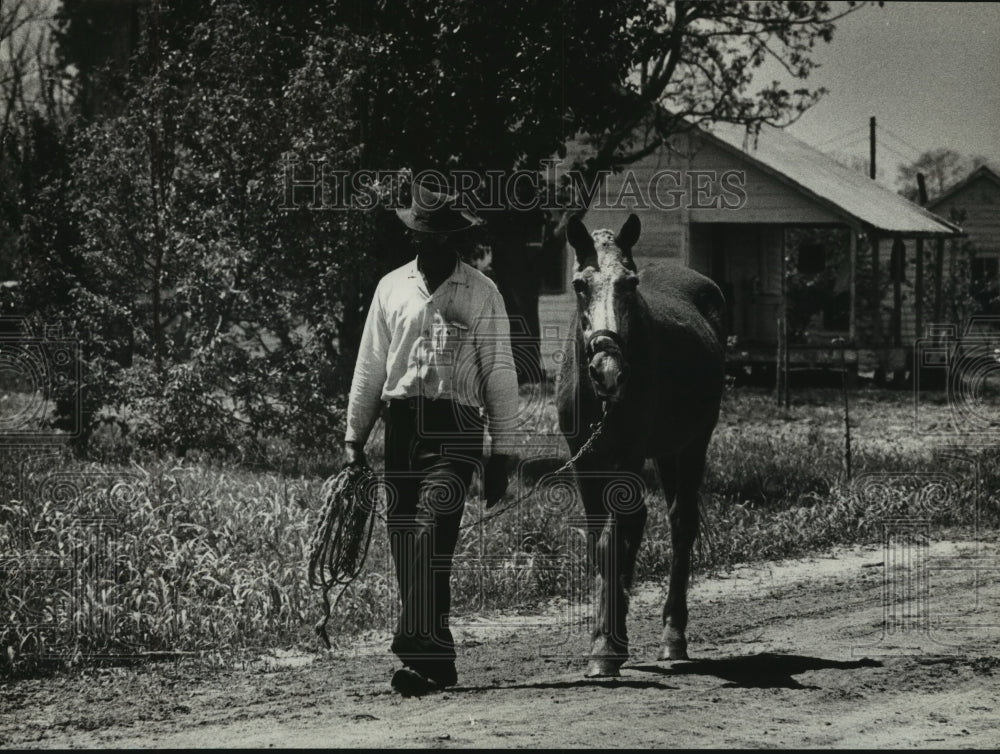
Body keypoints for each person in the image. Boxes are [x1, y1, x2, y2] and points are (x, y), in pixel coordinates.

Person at [343, 180, 520, 696]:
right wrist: (355, 438)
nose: (439, 244)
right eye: (429, 235)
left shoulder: (482, 293)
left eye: (448, 236)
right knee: (407, 544)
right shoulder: (391, 288)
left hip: (456, 428)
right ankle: (437, 660)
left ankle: (412, 647)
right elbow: (371, 366)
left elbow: (501, 374)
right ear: (416, 236)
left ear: (456, 239)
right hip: (400, 428)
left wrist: (502, 454)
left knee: (428, 531)